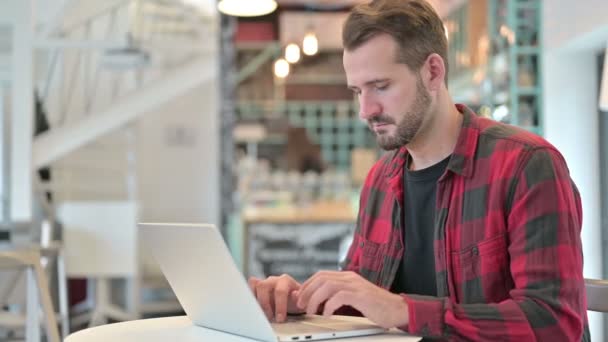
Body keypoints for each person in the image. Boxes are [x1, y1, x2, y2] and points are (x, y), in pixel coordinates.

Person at [248, 0, 590, 340]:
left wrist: (404, 310)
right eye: (357, 91)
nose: (365, 110)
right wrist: (302, 302)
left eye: (381, 86)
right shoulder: (380, 181)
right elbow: (364, 301)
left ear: (433, 72)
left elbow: (554, 323)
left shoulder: (526, 165)